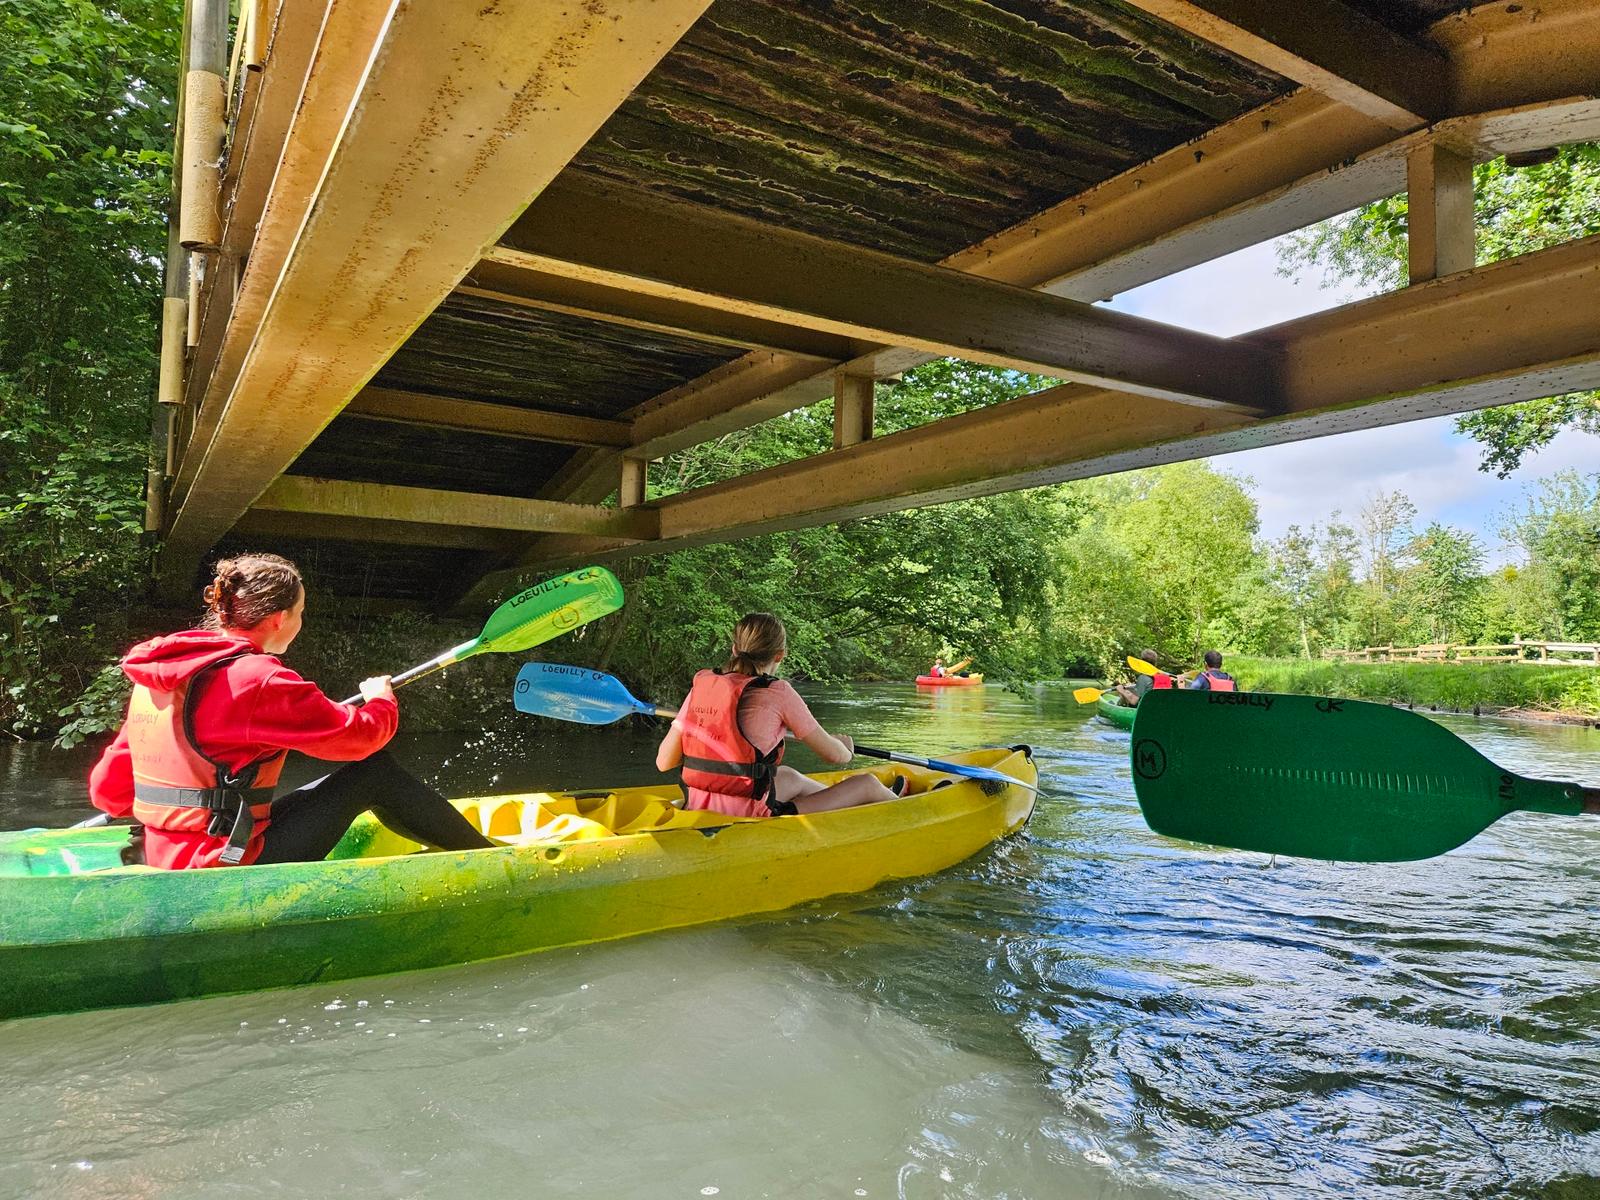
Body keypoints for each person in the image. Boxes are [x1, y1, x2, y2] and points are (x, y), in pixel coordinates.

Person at [89, 552, 492, 869]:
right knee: (374, 772)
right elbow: (360, 740)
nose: (299, 622)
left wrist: (175, 818)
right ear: (280, 619)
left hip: (160, 851)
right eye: (300, 613)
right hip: (221, 863)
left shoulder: (158, 677)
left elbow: (108, 793)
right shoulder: (258, 679)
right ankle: (491, 861)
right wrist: (381, 700)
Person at [655, 613, 904, 818]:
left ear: (734, 649)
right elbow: (834, 755)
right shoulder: (778, 692)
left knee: (788, 776)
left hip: (698, 803)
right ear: (780, 655)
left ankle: (870, 801)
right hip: (749, 814)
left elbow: (664, 762)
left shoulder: (703, 687)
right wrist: (845, 748)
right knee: (867, 782)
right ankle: (893, 804)